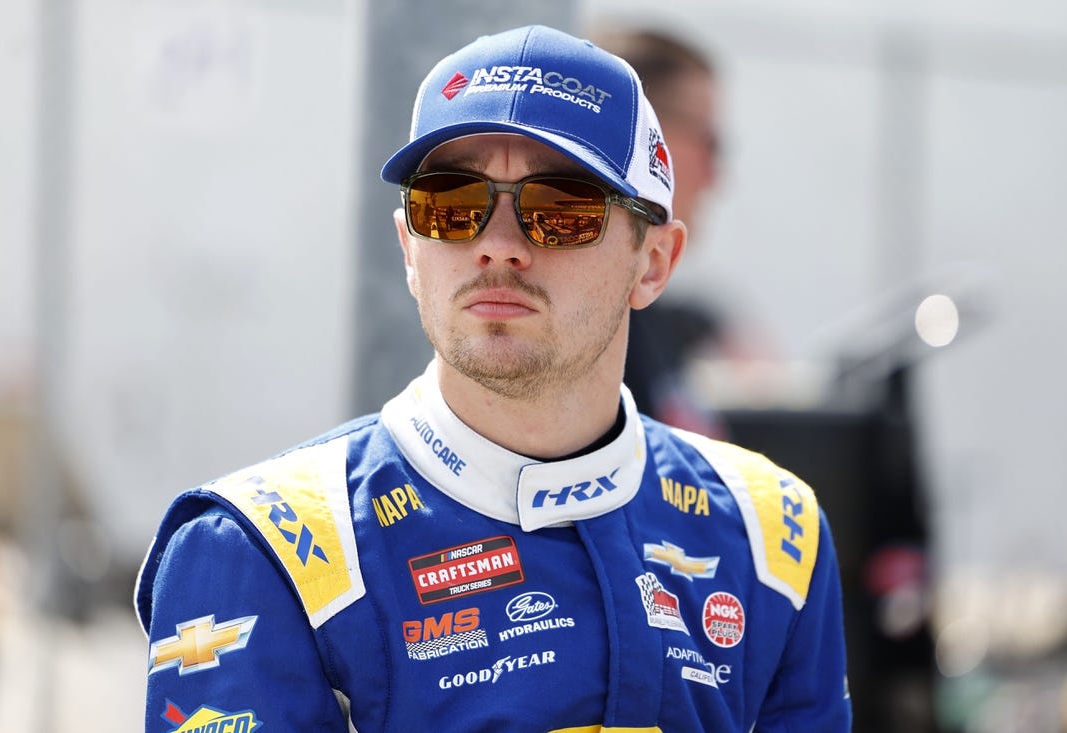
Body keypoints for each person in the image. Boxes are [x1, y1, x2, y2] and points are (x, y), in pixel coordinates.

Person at [135, 25, 851, 732]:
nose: (497, 246)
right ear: (410, 252)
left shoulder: (772, 534)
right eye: (451, 205)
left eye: (560, 208)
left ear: (655, 261)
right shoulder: (263, 546)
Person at [592, 28, 767, 436]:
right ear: (648, 136)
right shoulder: (592, 325)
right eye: (709, 142)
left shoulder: (647, 317)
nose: (715, 176)